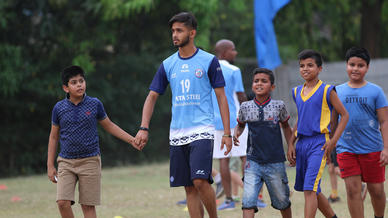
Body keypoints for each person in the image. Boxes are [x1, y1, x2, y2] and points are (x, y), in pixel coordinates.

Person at [134, 12, 232, 218]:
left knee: (199, 181)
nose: (175, 35)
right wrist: (144, 127)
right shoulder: (168, 64)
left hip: (202, 130)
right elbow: (151, 97)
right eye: (173, 31)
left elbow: (222, 98)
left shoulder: (209, 61)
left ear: (192, 33)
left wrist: (226, 133)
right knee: (188, 187)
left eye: (179, 30)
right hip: (177, 133)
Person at [47, 65, 139, 218]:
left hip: (90, 161)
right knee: (62, 202)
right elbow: (53, 137)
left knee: (88, 206)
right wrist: (50, 165)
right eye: (74, 82)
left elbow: (109, 126)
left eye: (81, 81)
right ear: (66, 88)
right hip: (66, 162)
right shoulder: (59, 108)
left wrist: (132, 140)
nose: (79, 85)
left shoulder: (94, 104)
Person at [287, 49, 349, 218]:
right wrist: (291, 143)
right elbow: (300, 119)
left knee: (309, 188)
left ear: (319, 68)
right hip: (302, 144)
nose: (305, 69)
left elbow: (344, 115)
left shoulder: (328, 90)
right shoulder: (296, 91)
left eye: (310, 65)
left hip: (320, 143)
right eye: (301, 66)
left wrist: (333, 141)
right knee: (313, 189)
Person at [332, 47, 388, 218]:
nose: (355, 68)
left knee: (377, 191)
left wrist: (386, 148)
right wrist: (330, 145)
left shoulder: (376, 91)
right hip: (346, 149)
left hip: (373, 149)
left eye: (360, 65)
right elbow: (333, 122)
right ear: (346, 65)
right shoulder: (336, 91)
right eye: (352, 64)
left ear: (367, 68)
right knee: (352, 190)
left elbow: (384, 121)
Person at [234, 68, 293, 218]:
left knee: (282, 201)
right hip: (252, 162)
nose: (259, 84)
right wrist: (236, 133)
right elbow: (240, 125)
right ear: (252, 84)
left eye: (264, 81)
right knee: (248, 202)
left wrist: (291, 146)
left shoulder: (279, 106)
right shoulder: (245, 107)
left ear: (272, 86)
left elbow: (286, 127)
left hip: (275, 162)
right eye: (256, 81)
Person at [211, 39, 248, 211]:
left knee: (223, 160)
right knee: (244, 157)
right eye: (233, 50)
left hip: (216, 121)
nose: (236, 53)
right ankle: (251, 196)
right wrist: (250, 116)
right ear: (224, 52)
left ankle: (228, 200)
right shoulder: (234, 70)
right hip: (235, 120)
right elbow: (241, 96)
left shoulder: (208, 69)